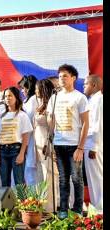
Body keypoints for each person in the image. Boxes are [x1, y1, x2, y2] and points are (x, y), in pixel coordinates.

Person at [47, 64, 89, 219]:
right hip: (58, 144)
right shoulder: (55, 97)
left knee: (77, 178)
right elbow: (52, 121)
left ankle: (77, 210)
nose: (61, 79)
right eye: (59, 76)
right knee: (63, 179)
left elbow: (85, 123)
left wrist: (81, 147)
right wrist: (50, 143)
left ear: (73, 78)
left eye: (65, 76)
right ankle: (63, 210)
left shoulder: (80, 97)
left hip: (74, 145)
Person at [0, 87, 33, 187]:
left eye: (10, 96)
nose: (8, 98)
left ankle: (23, 202)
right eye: (6, 96)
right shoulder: (1, 116)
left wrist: (21, 154)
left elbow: (25, 137)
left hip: (16, 150)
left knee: (19, 181)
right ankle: (7, 203)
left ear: (16, 97)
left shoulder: (22, 115)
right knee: (4, 182)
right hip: (3, 151)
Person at [33, 79, 59, 212]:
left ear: (43, 89)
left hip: (46, 143)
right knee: (41, 175)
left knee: (49, 174)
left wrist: (48, 143)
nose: (35, 90)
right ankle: (43, 205)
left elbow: (52, 127)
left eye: (37, 88)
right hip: (37, 142)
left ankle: (51, 207)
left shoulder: (52, 104)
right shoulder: (41, 104)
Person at [83, 74, 102, 212]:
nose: (84, 86)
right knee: (92, 179)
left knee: (97, 178)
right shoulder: (92, 100)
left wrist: (94, 146)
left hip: (94, 145)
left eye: (85, 84)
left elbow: (97, 124)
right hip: (89, 143)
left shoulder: (99, 100)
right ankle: (97, 209)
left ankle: (100, 210)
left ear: (94, 85)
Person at [18, 75, 39, 185]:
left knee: (31, 171)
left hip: (32, 139)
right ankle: (30, 199)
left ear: (29, 87)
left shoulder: (34, 100)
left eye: (23, 88)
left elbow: (29, 120)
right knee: (27, 171)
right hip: (24, 140)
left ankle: (34, 200)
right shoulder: (26, 100)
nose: (22, 91)